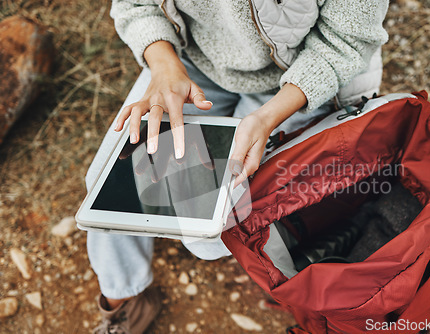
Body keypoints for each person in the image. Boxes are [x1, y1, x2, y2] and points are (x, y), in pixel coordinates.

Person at [87, 0, 389, 332]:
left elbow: (345, 40)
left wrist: (267, 118)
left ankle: (294, 237)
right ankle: (122, 299)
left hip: (298, 77)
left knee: (210, 234)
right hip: (191, 62)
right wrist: (163, 64)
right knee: (106, 183)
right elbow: (135, 4)